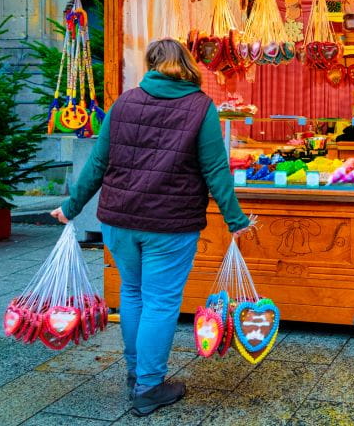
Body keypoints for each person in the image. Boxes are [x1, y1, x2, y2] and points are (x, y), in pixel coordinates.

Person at [51, 39, 251, 417]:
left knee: (133, 292)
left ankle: (136, 374)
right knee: (160, 301)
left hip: (119, 220)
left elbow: (98, 163)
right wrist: (235, 219)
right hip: (170, 224)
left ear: (151, 64)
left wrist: (71, 206)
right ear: (187, 64)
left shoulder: (124, 102)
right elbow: (215, 169)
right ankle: (149, 385)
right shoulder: (200, 106)